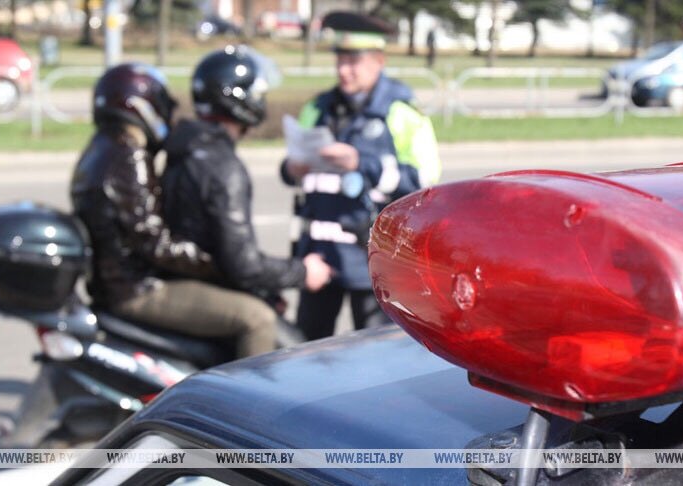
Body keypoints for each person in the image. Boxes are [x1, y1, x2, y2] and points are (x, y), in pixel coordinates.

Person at [71, 63, 294, 358]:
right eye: (160, 104)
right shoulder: (128, 157)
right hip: (138, 289)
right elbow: (156, 242)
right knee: (257, 320)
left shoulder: (101, 151)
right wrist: (221, 269)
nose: (167, 113)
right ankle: (244, 403)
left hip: (115, 284)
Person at [281, 11, 442, 341]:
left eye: (353, 62)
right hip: (318, 256)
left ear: (378, 62)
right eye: (340, 61)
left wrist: (362, 163)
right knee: (307, 350)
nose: (343, 70)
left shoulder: (403, 114)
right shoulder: (318, 108)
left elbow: (425, 182)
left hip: (372, 257)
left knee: (373, 356)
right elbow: (291, 169)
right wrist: (290, 168)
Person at [161, 46, 332, 336]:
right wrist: (303, 272)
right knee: (275, 335)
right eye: (256, 93)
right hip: (204, 284)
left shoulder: (186, 145)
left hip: (196, 278)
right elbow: (243, 263)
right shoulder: (224, 167)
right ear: (237, 98)